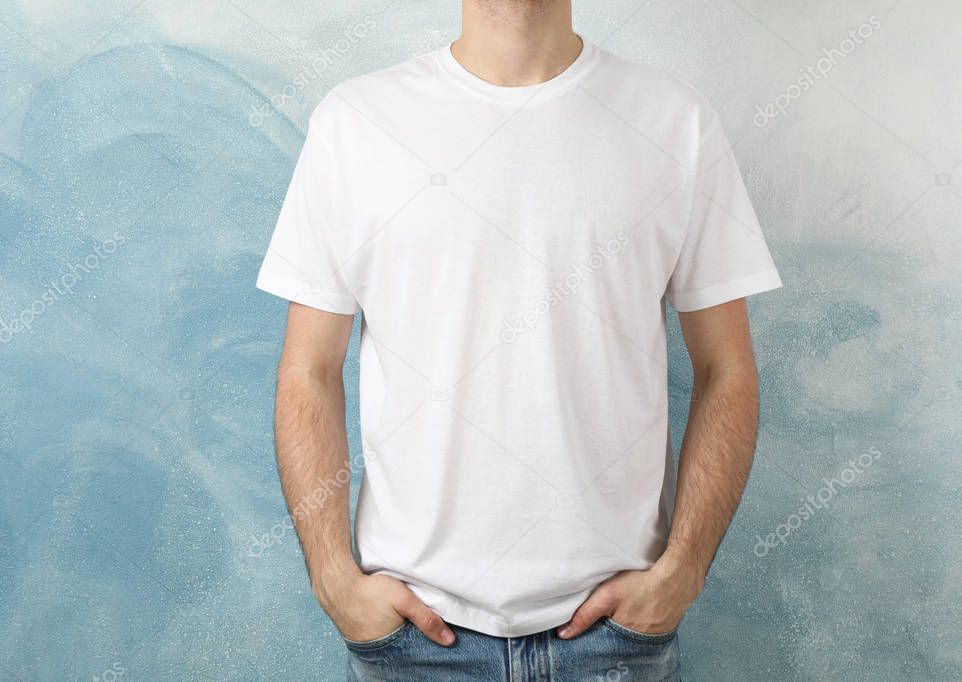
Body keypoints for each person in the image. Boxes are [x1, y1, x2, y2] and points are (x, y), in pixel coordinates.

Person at [256, 1, 781, 679]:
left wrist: (680, 573)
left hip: (617, 638)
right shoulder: (355, 123)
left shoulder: (673, 121)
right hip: (412, 638)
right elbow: (308, 370)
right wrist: (334, 581)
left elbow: (727, 368)